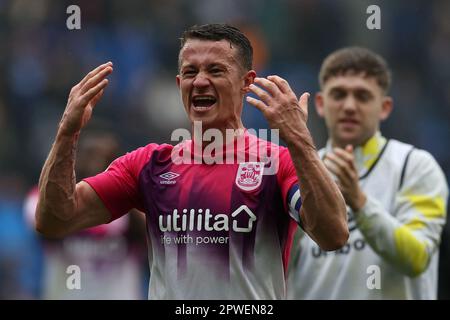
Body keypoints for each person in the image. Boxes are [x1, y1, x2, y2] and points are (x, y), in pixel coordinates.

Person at [35, 23, 348, 299]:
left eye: (215, 70)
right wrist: (67, 133)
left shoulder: (276, 162)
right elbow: (55, 220)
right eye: (190, 72)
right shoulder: (148, 165)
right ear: (178, 84)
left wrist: (299, 140)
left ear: (246, 82)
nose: (199, 81)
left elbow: (333, 234)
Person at [287, 47, 448, 299]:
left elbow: (418, 257)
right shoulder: (297, 173)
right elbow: (277, 267)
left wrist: (360, 203)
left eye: (362, 96)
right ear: (320, 103)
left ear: (384, 107)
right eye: (339, 94)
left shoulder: (415, 166)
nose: (349, 106)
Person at [25, 131, 148, 299]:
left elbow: (150, 230)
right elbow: (42, 224)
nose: (96, 164)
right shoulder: (41, 200)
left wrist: (123, 187)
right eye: (90, 155)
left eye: (106, 159)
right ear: (75, 159)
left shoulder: (137, 204)